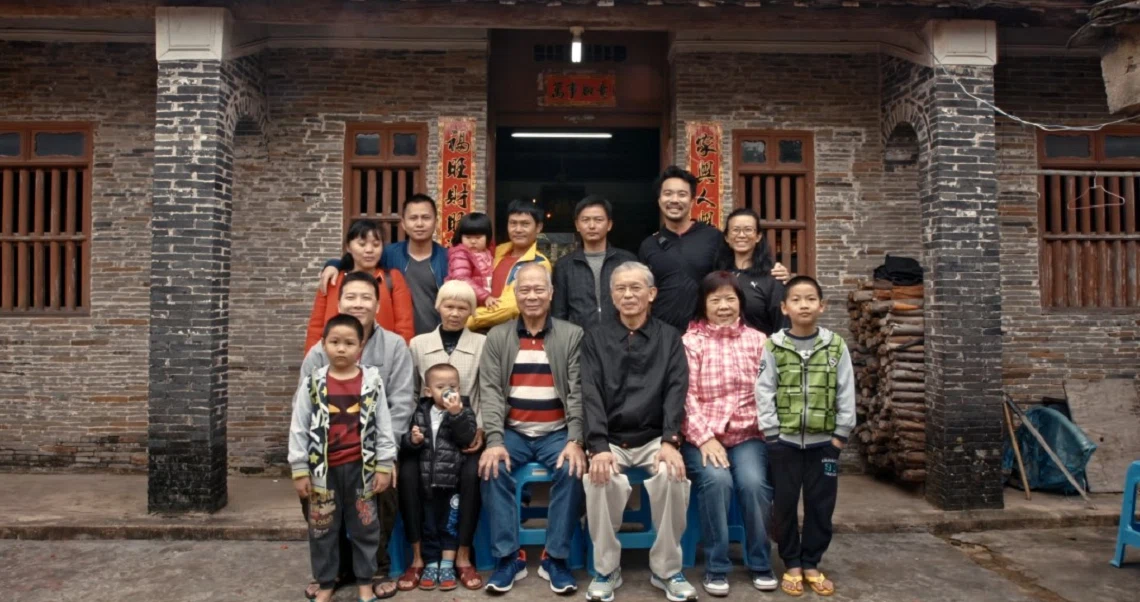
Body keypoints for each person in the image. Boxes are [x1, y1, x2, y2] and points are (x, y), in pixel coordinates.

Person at [581, 261, 695, 602]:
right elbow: (590, 393)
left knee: (672, 476)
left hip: (654, 438)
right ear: (611, 296)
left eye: (635, 288)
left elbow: (677, 389)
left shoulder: (669, 337)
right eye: (620, 289)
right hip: (611, 439)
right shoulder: (596, 337)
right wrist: (598, 445)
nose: (628, 295)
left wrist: (670, 441)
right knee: (600, 479)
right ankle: (606, 568)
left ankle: (667, 570)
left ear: (651, 294)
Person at [299, 271, 415, 600]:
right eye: (351, 297)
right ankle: (333, 570)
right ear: (339, 302)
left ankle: (375, 565)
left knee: (389, 482)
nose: (358, 304)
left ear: (378, 305)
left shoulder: (394, 347)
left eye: (366, 298)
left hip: (375, 448)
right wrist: (304, 461)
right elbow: (303, 410)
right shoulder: (318, 353)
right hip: (328, 451)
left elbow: (401, 403)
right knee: (313, 491)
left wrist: (385, 456)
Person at [477, 262, 586, 595]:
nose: (532, 296)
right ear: (514, 294)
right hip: (515, 432)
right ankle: (509, 557)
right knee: (492, 467)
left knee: (573, 468)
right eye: (524, 289)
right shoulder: (498, 336)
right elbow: (491, 392)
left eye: (539, 289)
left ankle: (556, 557)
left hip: (556, 432)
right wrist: (494, 440)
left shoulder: (571, 334)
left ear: (551, 294)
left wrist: (575, 439)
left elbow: (579, 390)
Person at [754, 275, 856, 598]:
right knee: (783, 505)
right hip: (783, 444)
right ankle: (792, 563)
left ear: (822, 306)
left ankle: (812, 562)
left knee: (820, 505)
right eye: (796, 299)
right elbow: (764, 390)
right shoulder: (774, 345)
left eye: (810, 299)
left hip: (824, 444)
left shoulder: (835, 345)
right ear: (784, 307)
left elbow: (846, 391)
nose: (804, 305)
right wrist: (772, 434)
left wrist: (839, 437)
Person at [680, 271, 777, 596]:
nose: (723, 306)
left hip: (748, 434)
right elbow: (684, 396)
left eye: (730, 299)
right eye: (715, 299)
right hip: (702, 436)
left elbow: (767, 391)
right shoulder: (691, 342)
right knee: (717, 482)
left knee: (752, 483)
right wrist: (705, 436)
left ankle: (760, 562)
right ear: (703, 305)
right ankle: (716, 566)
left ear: (740, 303)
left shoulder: (759, 341)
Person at [289, 313, 397, 602]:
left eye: (349, 343)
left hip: (362, 469)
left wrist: (385, 465)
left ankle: (365, 582)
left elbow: (384, 425)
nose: (341, 348)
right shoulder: (313, 383)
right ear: (323, 344)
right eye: (334, 342)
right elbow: (299, 425)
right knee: (322, 528)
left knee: (366, 527)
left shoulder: (372, 382)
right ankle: (325, 584)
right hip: (322, 473)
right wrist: (300, 468)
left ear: (360, 346)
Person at [401, 280, 487, 591]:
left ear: (471, 312)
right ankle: (418, 558)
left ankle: (461, 556)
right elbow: (410, 393)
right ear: (437, 307)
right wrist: (412, 433)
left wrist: (481, 429)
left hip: (467, 433)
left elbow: (486, 390)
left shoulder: (482, 343)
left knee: (470, 476)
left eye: (463, 307)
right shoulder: (418, 344)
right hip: (426, 433)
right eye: (449, 305)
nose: (454, 313)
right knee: (409, 476)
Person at [320, 194, 450, 336]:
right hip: (398, 339)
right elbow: (359, 259)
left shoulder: (449, 258)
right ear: (403, 223)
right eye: (413, 218)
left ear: (436, 222)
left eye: (426, 218)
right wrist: (333, 264)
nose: (419, 224)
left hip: (436, 339)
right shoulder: (388, 253)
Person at [401, 363, 479, 592]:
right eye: (441, 386)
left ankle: (447, 563)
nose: (448, 391)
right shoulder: (420, 412)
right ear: (428, 391)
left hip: (451, 481)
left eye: (453, 386)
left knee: (449, 524)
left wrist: (456, 414)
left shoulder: (463, 411)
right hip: (427, 480)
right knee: (430, 524)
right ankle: (431, 562)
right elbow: (408, 442)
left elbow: (467, 438)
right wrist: (413, 440)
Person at [306, 219, 415, 349]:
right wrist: (312, 362)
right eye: (362, 244)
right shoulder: (333, 279)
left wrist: (400, 356)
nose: (369, 250)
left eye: (376, 245)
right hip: (336, 355)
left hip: (382, 355)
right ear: (348, 247)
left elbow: (404, 325)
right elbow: (316, 326)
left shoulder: (392, 278)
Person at [552, 195, 637, 328]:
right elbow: (559, 313)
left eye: (598, 220)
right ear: (577, 225)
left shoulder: (626, 260)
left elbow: (639, 303)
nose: (592, 226)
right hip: (578, 342)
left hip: (621, 340)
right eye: (585, 220)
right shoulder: (564, 265)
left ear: (609, 225)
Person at [467, 200, 552, 331]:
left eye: (525, 224)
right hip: (476, 332)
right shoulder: (496, 252)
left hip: (510, 333)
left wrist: (467, 320)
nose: (518, 229)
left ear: (538, 227)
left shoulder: (538, 263)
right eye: (513, 223)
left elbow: (511, 306)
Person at [716, 207, 789, 336]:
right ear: (727, 237)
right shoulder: (718, 275)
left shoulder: (772, 277)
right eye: (735, 230)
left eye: (748, 230)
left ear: (758, 236)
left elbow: (782, 327)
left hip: (761, 352)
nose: (741, 235)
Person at [446, 212, 496, 310]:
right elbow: (461, 278)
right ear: (461, 237)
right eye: (468, 237)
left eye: (478, 237)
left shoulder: (489, 252)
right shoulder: (460, 254)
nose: (473, 241)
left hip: (485, 303)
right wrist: (485, 296)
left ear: (488, 237)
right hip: (466, 304)